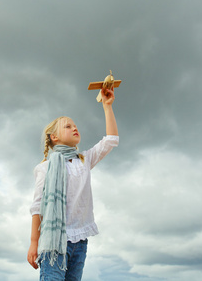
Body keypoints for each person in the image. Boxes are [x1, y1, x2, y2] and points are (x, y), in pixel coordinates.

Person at [27, 87, 119, 280]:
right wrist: (33, 243)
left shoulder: (84, 160)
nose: (74, 127)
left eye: (75, 125)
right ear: (55, 137)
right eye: (67, 126)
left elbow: (110, 141)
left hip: (79, 242)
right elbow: (37, 207)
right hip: (53, 243)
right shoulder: (44, 168)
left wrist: (107, 107)